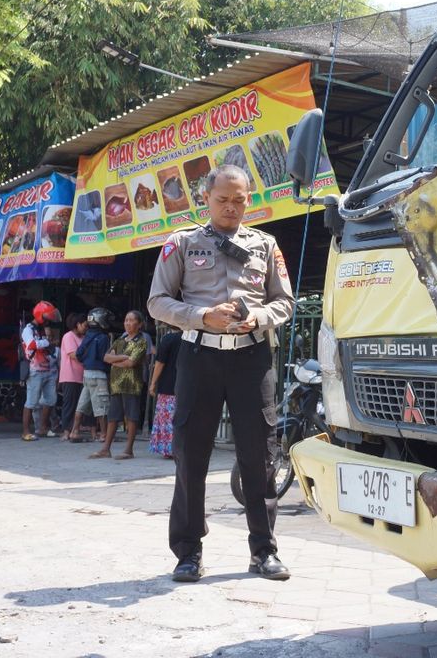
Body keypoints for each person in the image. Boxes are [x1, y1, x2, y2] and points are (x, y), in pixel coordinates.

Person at [148, 164, 295, 583]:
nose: (231, 207)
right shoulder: (182, 243)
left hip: (252, 360)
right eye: (222, 199)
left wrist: (259, 318)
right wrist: (201, 316)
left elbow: (285, 302)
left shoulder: (265, 245)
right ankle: (188, 552)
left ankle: (264, 551)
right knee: (190, 457)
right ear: (206, 199)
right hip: (199, 358)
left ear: (249, 199)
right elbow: (157, 301)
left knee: (260, 457)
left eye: (239, 199)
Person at [92, 310, 147, 460]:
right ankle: (106, 449)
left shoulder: (141, 342)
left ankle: (129, 449)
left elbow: (131, 363)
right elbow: (106, 357)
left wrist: (116, 361)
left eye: (131, 320)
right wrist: (122, 357)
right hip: (116, 384)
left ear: (139, 324)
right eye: (126, 320)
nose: (128, 323)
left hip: (131, 384)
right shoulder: (119, 341)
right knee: (113, 417)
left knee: (131, 416)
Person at [21, 301, 61, 441]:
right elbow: (31, 345)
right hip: (35, 370)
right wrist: (46, 343)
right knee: (31, 402)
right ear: (40, 316)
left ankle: (42, 428)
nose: (48, 320)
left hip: (49, 370)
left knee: (51, 400)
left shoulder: (42, 330)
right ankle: (26, 432)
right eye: (46, 317)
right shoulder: (28, 330)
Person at [73, 307, 114, 442]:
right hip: (99, 376)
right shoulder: (103, 338)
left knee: (82, 405)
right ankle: (103, 434)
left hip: (86, 374)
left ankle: (75, 431)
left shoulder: (87, 336)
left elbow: (78, 354)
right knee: (101, 406)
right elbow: (104, 357)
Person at [148, 325, 182, 459]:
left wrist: (153, 383)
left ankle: (168, 449)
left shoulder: (168, 339)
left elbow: (160, 363)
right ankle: (180, 448)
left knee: (166, 418)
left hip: (168, 385)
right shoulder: (190, 339)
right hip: (186, 385)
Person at [57, 314, 87, 442]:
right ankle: (66, 431)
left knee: (79, 405)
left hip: (81, 375)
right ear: (77, 324)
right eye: (84, 325)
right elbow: (74, 354)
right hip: (70, 375)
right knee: (69, 404)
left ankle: (75, 429)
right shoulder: (68, 336)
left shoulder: (84, 337)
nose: (86, 328)